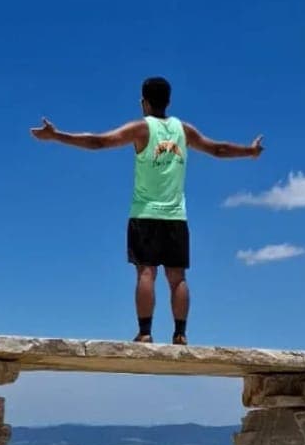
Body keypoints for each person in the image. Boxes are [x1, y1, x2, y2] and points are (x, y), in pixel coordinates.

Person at [30, 76, 264, 344]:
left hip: (144, 215)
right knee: (177, 278)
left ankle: (144, 332)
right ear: (169, 101)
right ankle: (180, 334)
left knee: (146, 272)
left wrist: (57, 136)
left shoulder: (141, 129)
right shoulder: (184, 130)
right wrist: (250, 151)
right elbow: (218, 149)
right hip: (176, 216)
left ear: (144, 102)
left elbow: (98, 142)